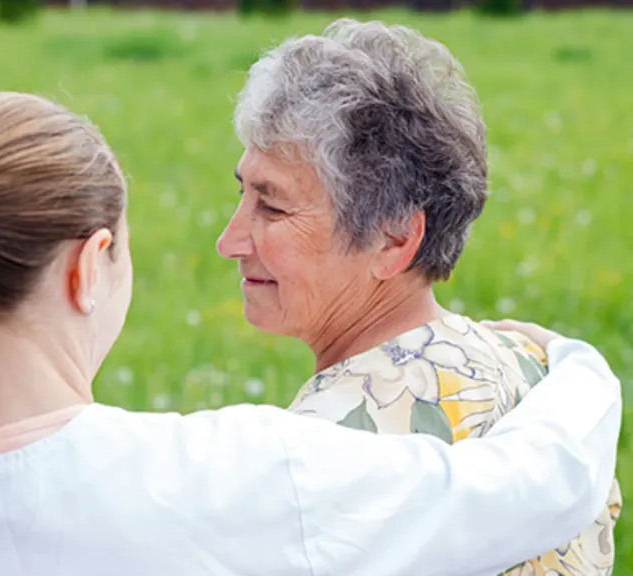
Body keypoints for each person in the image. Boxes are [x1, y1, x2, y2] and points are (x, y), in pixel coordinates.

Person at [0, 90, 622, 576]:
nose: (230, 238)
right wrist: (576, 366)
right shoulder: (232, 483)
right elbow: (532, 486)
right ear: (88, 266)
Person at [217, 18, 621, 575]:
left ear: (395, 238)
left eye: (273, 206)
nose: (228, 241)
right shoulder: (541, 376)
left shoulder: (319, 455)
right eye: (242, 193)